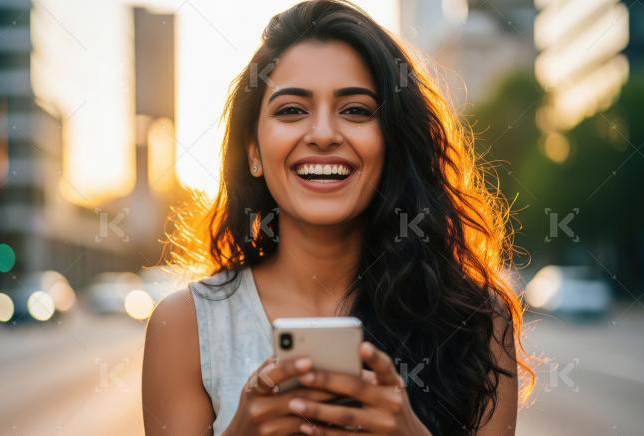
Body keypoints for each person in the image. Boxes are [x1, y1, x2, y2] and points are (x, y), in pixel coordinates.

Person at [142, 1, 536, 434]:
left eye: (356, 111)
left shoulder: (477, 318)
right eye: (292, 110)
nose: (324, 134)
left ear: (391, 143)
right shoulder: (185, 326)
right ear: (253, 152)